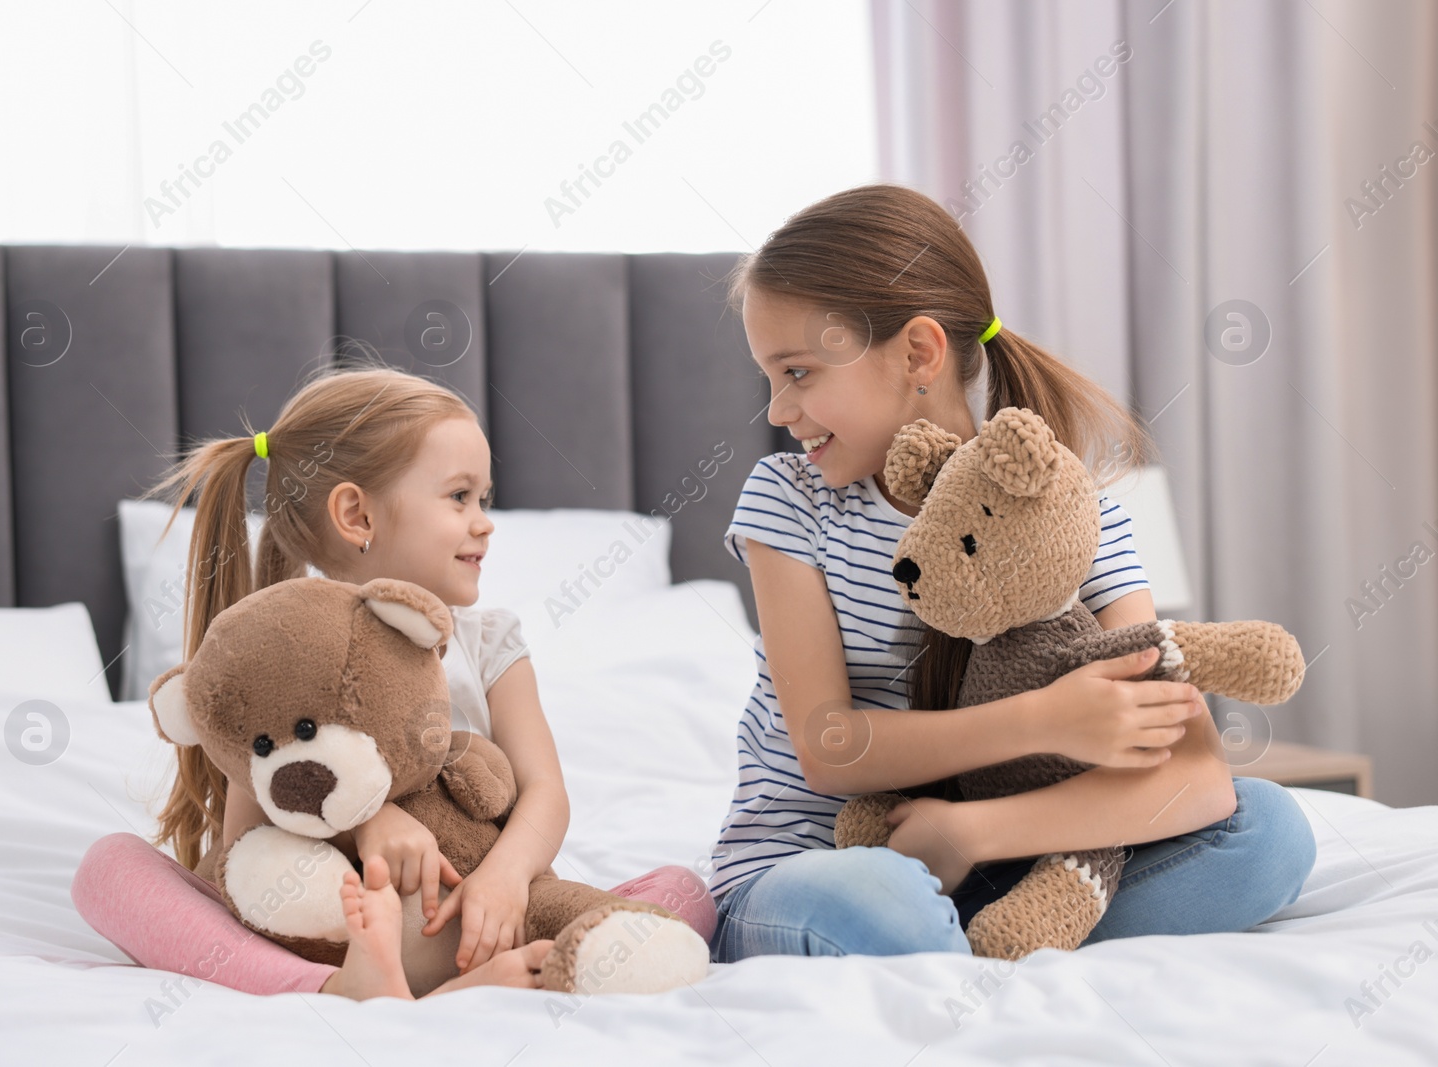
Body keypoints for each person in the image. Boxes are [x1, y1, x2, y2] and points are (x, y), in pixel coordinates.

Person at [706, 183, 1316, 963]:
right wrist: (1048, 721)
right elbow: (828, 747)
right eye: (770, 376)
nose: (777, 410)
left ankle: (989, 943)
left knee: (1268, 832)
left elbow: (1198, 777)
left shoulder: (1078, 514)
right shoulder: (789, 503)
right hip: (815, 863)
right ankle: (964, 948)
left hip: (1000, 865)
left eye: (796, 372)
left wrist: (969, 833)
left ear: (918, 353)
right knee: (882, 902)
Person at [73, 366, 715, 1000]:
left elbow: (545, 789)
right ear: (357, 514)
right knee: (109, 869)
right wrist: (366, 821)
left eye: (484, 498)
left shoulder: (487, 642)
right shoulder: (284, 651)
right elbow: (249, 837)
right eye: (459, 496)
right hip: (336, 928)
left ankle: (509, 969)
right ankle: (334, 988)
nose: (485, 521)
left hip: (476, 912)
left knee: (686, 891)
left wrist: (505, 880)